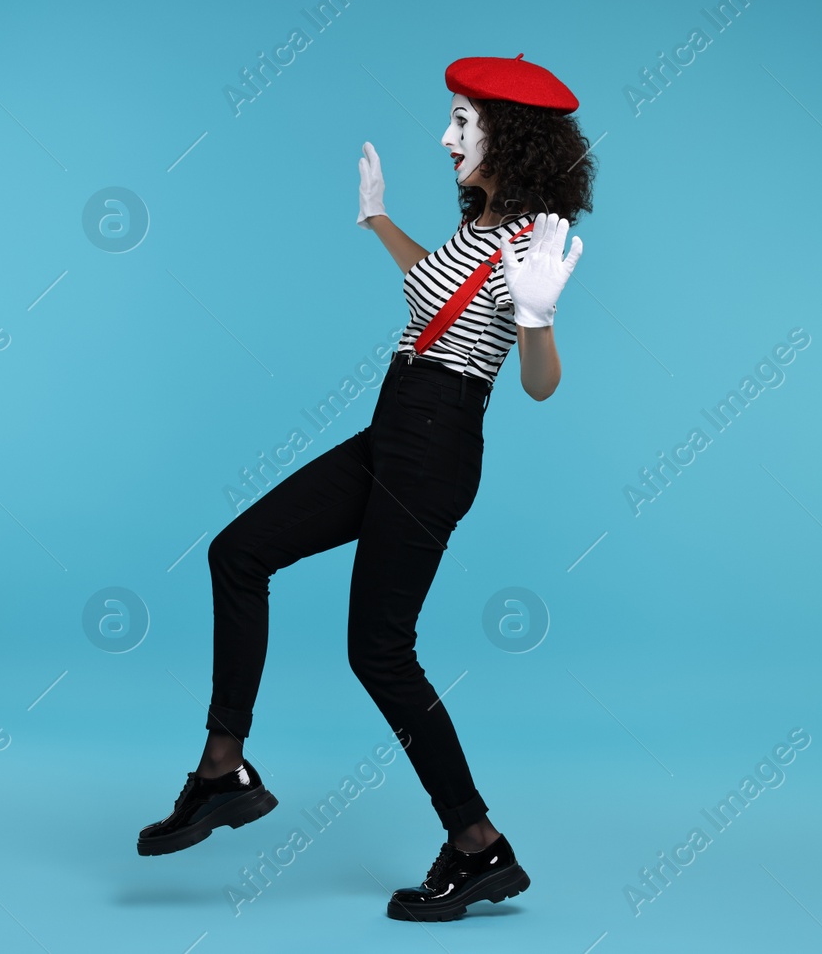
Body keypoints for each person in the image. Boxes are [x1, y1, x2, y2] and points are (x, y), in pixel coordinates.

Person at [138, 53, 597, 923]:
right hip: (396, 426)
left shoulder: (531, 239)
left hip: (437, 441)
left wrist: (538, 320)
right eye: (452, 119)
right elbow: (442, 290)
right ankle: (221, 769)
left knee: (378, 648)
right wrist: (379, 221)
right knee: (238, 552)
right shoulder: (483, 220)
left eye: (464, 123)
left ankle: (478, 845)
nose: (446, 136)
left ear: (515, 135)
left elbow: (540, 380)